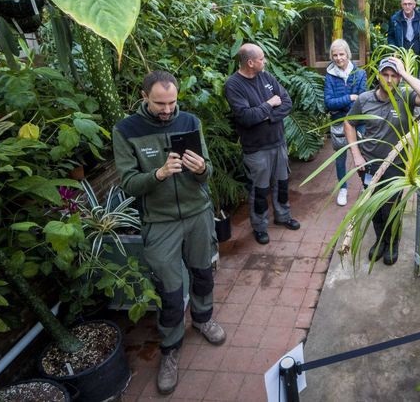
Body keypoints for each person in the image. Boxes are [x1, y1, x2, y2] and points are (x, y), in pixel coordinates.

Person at [113, 70, 226, 396]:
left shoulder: (189, 121)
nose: (167, 109)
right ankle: (171, 347)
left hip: (197, 214)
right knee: (170, 289)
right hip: (159, 221)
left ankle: (204, 319)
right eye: (160, 103)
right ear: (144, 96)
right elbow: (129, 184)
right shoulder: (126, 131)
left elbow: (208, 171)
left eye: (172, 102)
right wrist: (159, 174)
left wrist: (202, 168)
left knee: (203, 273)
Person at [344, 56, 420, 266]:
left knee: (392, 207)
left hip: (395, 165)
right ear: (378, 75)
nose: (388, 79)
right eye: (385, 74)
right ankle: (380, 241)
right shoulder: (364, 99)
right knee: (374, 206)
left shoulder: (406, 96)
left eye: (393, 76)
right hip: (369, 165)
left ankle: (393, 242)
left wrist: (404, 73)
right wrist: (356, 155)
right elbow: (349, 124)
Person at [225, 43, 301, 245]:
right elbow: (246, 117)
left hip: (278, 142)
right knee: (259, 190)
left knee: (283, 184)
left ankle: (283, 216)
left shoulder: (267, 77)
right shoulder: (233, 85)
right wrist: (269, 104)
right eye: (261, 58)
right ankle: (259, 227)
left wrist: (267, 116)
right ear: (250, 62)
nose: (264, 61)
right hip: (256, 149)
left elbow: (286, 102)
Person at [324, 39, 367, 206]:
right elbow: (328, 103)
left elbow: (362, 100)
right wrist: (349, 97)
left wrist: (342, 102)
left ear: (348, 54)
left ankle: (366, 184)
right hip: (338, 121)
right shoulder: (330, 76)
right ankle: (343, 188)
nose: (338, 58)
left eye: (341, 54)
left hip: (358, 121)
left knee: (364, 153)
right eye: (334, 55)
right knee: (340, 157)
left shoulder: (360, 74)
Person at [388, 0, 420, 64]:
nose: (407, 6)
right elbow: (391, 36)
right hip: (401, 55)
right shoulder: (395, 19)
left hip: (417, 56)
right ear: (401, 5)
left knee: (415, 75)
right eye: (405, 4)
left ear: (414, 5)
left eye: (409, 4)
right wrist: (394, 50)